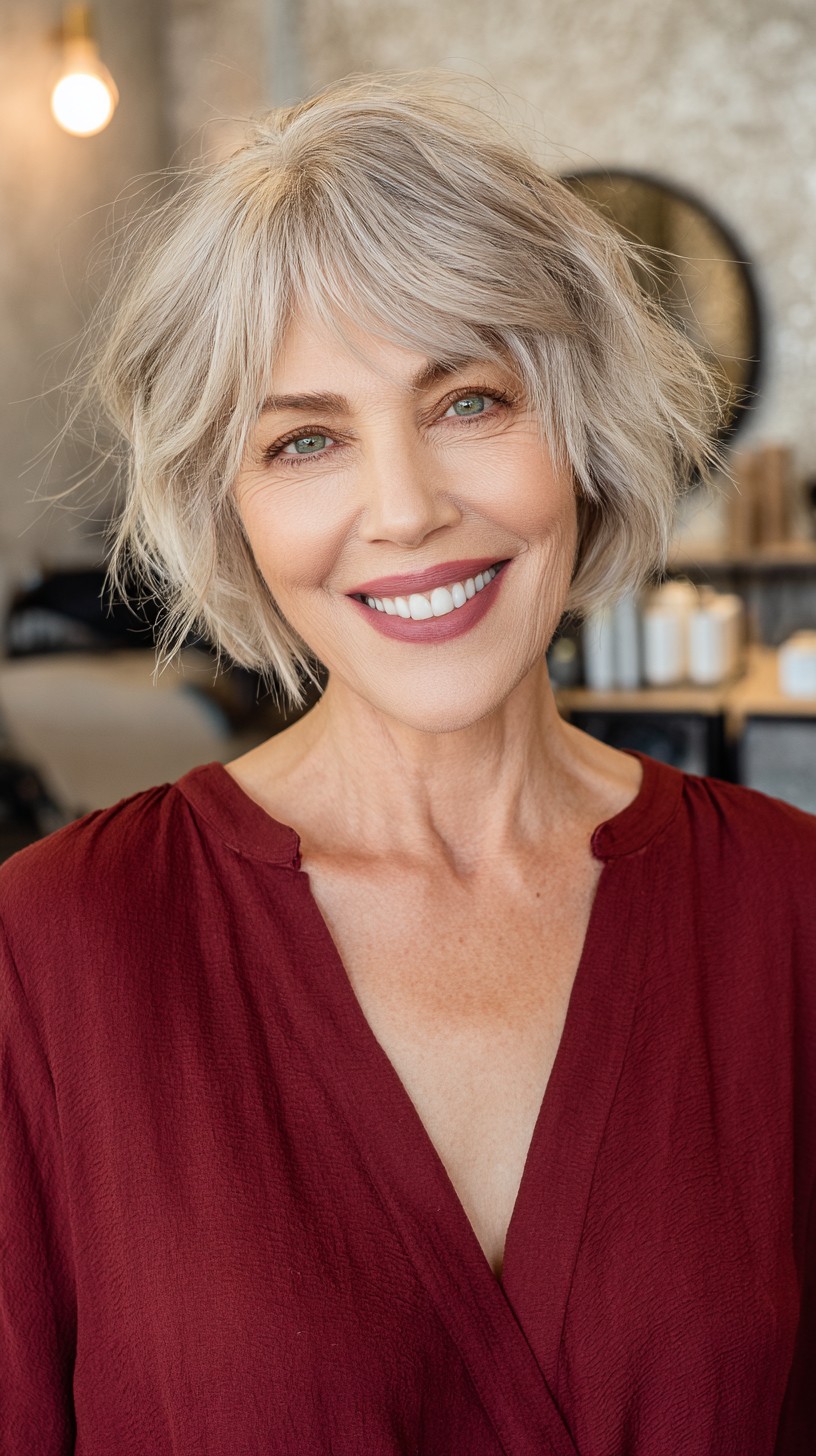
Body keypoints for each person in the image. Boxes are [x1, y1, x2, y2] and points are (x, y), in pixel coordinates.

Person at [1, 70, 813, 1456]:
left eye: (471, 403)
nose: (407, 509)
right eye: (305, 439)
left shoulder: (792, 913)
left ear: (581, 434)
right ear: (229, 505)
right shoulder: (50, 949)